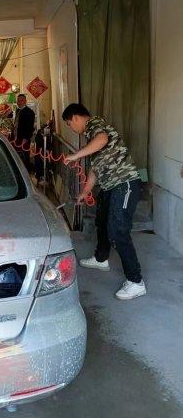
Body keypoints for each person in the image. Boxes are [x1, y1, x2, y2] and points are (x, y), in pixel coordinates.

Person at [62, 103, 146, 300]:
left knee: (117, 231)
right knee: (101, 222)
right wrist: (85, 192)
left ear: (76, 117)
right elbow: (95, 169)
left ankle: (136, 281)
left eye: (69, 124)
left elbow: (102, 140)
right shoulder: (91, 138)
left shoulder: (95, 124)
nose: (71, 128)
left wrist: (75, 155)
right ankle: (101, 258)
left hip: (124, 183)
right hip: (110, 187)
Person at [10, 94, 35, 170]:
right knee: (17, 157)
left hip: (24, 140)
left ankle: (26, 173)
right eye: (18, 100)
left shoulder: (29, 112)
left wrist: (25, 138)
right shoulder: (18, 110)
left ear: (25, 101)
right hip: (16, 138)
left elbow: (30, 127)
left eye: (21, 100)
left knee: (24, 157)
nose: (19, 102)